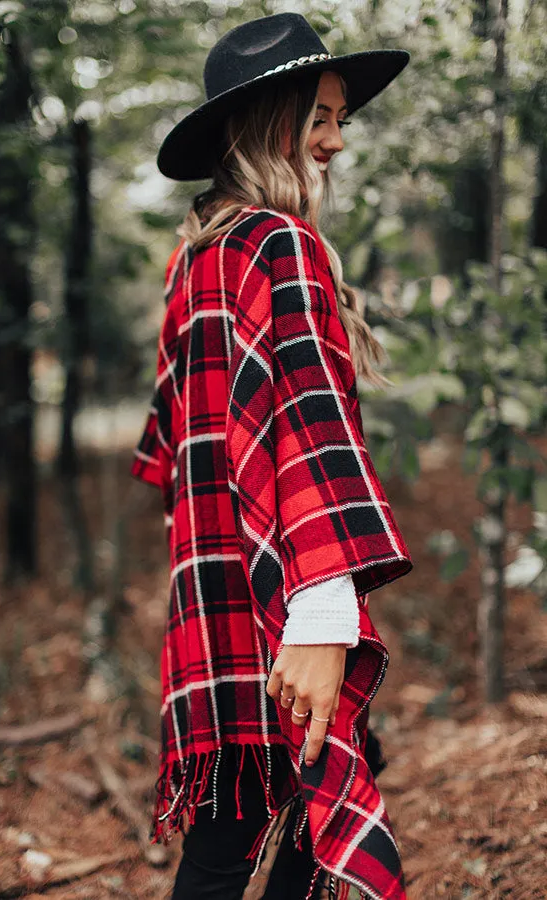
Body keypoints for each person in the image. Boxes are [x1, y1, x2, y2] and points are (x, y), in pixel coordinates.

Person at [131, 13, 413, 900]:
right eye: (318, 116)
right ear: (265, 123)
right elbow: (308, 428)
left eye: (341, 120)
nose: (333, 140)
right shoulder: (277, 246)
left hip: (220, 598)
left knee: (248, 833)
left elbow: (178, 448)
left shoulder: (198, 254)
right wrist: (323, 618)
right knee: (268, 827)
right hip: (285, 602)